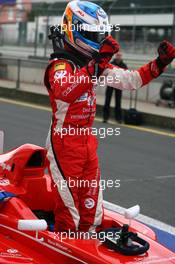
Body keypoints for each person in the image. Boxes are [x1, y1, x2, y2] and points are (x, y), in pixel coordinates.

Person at [44, 0, 175, 233]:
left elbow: (131, 80)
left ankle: (90, 246)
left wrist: (159, 63)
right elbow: (66, 92)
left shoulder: (96, 67)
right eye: (93, 34)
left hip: (86, 144)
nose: (98, 40)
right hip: (64, 145)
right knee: (69, 212)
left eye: (100, 34)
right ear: (75, 30)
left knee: (92, 211)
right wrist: (97, 65)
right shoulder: (60, 66)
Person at [103, 52, 127, 123]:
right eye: (117, 55)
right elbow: (106, 72)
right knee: (107, 100)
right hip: (110, 83)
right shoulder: (111, 64)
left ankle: (118, 118)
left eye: (120, 55)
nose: (118, 57)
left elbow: (126, 75)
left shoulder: (124, 65)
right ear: (115, 56)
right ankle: (105, 117)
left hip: (119, 84)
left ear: (121, 57)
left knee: (118, 101)